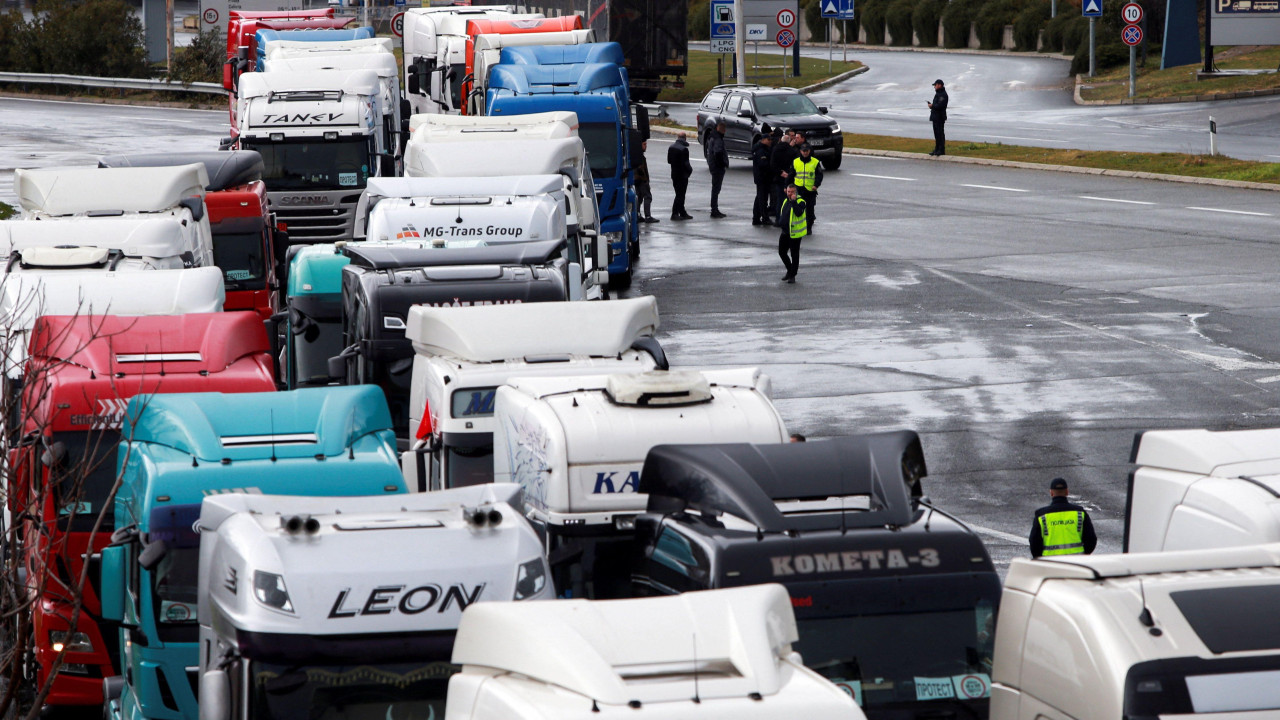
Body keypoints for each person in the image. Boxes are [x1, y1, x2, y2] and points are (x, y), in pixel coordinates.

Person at [1029, 478, 1097, 558]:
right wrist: (1083, 555)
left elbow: (1034, 542)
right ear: (1067, 492)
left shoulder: (1042, 515)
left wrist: (1041, 559)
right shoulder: (1080, 513)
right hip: (1076, 562)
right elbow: (1091, 539)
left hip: (1051, 562)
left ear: (1051, 493)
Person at [775, 183, 807, 284]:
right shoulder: (785, 200)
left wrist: (793, 202)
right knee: (782, 252)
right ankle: (790, 270)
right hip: (785, 232)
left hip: (795, 234)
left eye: (792, 192)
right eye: (789, 192)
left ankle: (792, 275)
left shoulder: (801, 202)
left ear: (796, 192)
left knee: (794, 255)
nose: (790, 194)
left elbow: (798, 213)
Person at [791, 143, 822, 231]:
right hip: (799, 189)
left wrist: (816, 185)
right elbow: (791, 175)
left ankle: (808, 227)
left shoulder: (815, 162)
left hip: (810, 190)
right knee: (798, 208)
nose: (805, 153)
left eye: (807, 151)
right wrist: (787, 186)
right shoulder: (796, 161)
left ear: (809, 151)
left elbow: (819, 175)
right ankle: (799, 226)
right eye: (803, 151)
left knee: (810, 210)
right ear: (800, 151)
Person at [770, 128, 798, 217]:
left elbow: (772, 164)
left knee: (779, 199)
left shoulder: (775, 149)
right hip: (789, 177)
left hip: (779, 177)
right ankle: (787, 216)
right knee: (789, 198)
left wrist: (780, 172)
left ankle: (778, 218)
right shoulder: (792, 151)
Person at [667, 132, 693, 220]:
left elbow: (669, 161)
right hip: (682, 175)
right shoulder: (684, 149)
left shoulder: (671, 147)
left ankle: (682, 211)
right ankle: (674, 213)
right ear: (685, 138)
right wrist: (690, 170)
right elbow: (686, 163)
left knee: (678, 193)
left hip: (674, 174)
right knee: (680, 195)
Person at [751, 131, 774, 226]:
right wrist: (771, 166)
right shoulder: (761, 150)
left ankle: (756, 217)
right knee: (762, 199)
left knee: (759, 198)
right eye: (768, 139)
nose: (770, 141)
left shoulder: (763, 148)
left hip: (763, 178)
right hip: (762, 178)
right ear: (763, 140)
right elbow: (763, 164)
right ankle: (764, 217)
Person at [706, 122, 729, 218]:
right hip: (717, 167)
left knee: (715, 188)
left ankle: (714, 209)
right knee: (716, 189)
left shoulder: (712, 137)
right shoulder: (718, 139)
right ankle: (714, 210)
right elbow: (718, 153)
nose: (725, 131)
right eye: (724, 129)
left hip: (713, 165)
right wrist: (722, 164)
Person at [633, 140, 658, 223]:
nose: (646, 146)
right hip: (641, 180)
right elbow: (640, 169)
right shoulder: (639, 156)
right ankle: (648, 216)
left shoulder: (635, 154)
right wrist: (645, 180)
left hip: (636, 180)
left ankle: (637, 215)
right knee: (647, 197)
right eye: (644, 144)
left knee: (639, 197)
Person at [928, 78, 949, 157]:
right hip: (935, 117)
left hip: (940, 117)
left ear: (940, 85)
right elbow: (937, 105)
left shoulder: (943, 94)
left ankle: (941, 150)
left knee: (940, 133)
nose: (934, 87)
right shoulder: (938, 94)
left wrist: (932, 106)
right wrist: (932, 106)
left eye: (935, 85)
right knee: (936, 134)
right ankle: (937, 149)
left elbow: (940, 105)